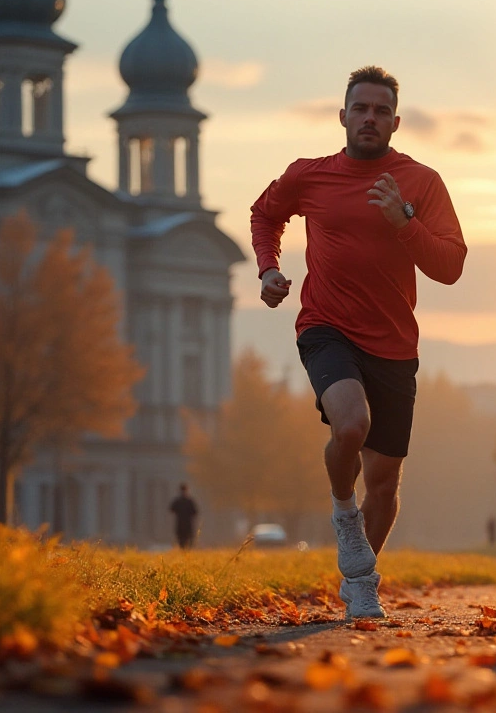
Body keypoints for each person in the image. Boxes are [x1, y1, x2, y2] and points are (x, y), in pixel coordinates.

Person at [250, 66, 467, 619]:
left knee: (386, 479)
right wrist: (268, 269)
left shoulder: (421, 183)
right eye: (360, 108)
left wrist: (404, 221)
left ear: (395, 122)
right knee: (350, 425)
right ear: (342, 116)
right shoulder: (309, 175)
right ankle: (344, 516)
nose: (369, 118)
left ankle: (361, 579)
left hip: (394, 342)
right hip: (326, 326)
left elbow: (451, 266)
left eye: (380, 111)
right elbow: (265, 213)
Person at [169, 483, 198, 549]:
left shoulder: (177, 501)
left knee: (181, 540)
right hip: (187, 524)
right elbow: (195, 512)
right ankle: (187, 552)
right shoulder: (190, 501)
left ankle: (183, 552)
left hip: (180, 523)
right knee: (188, 539)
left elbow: (171, 509)